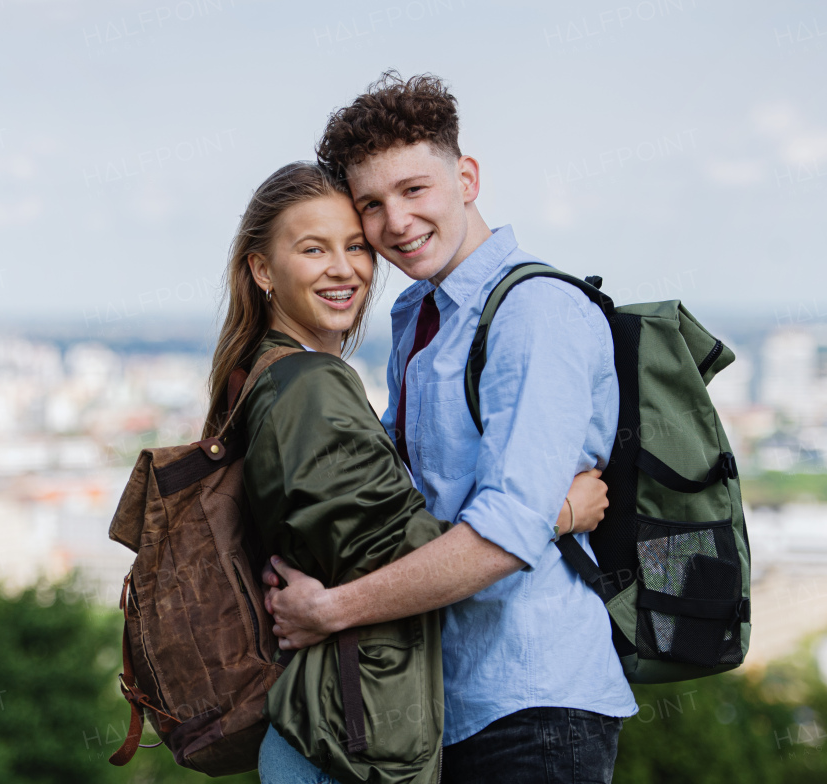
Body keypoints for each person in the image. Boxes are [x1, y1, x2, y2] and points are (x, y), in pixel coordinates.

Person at [262, 72, 637, 784]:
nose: (395, 223)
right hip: (442, 700)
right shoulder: (419, 317)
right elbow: (400, 503)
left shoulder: (535, 314)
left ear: (465, 178)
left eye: (414, 190)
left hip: (535, 705)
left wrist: (333, 610)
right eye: (371, 205)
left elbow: (503, 536)